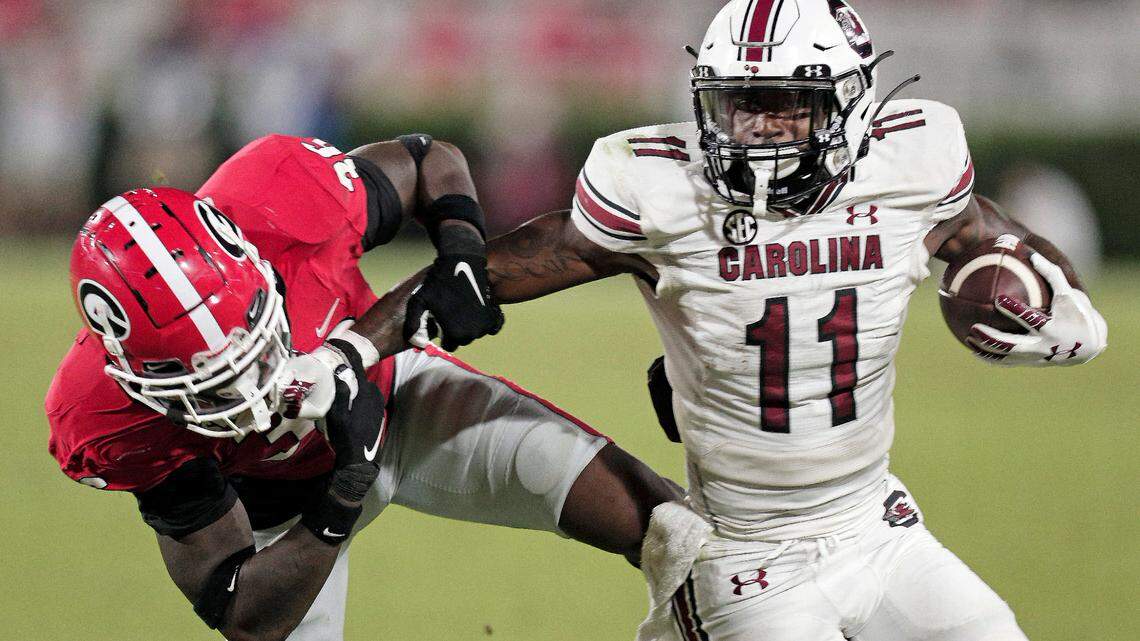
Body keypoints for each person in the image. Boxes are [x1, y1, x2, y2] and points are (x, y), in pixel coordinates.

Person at [326, 1, 1109, 640]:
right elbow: (484, 274)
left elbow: (983, 232)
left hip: (876, 522)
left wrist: (1059, 298)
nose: (755, 128)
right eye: (738, 103)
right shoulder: (662, 192)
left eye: (783, 105)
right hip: (745, 549)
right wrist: (350, 348)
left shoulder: (910, 166)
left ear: (850, 105)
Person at [47, 133, 679, 641]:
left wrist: (461, 250)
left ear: (253, 259)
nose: (250, 386)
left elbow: (431, 160)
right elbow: (245, 613)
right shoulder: (105, 419)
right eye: (211, 381)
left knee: (670, 529)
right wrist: (344, 492)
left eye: (253, 340)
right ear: (132, 370)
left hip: (398, 398)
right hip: (281, 512)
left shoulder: (284, 200)